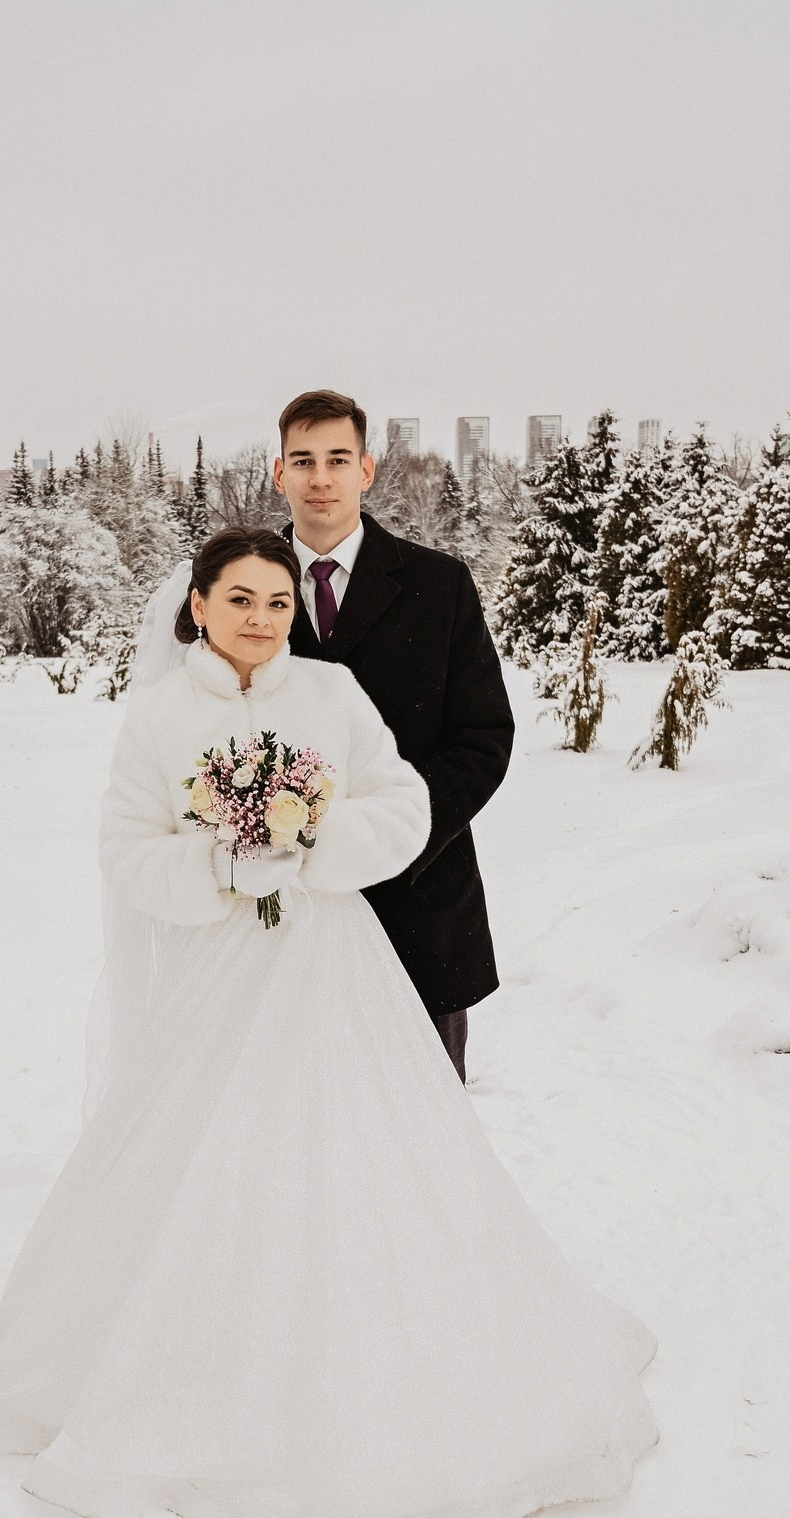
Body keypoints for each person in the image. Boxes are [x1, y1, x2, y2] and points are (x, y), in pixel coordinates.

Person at [0, 528, 658, 1518]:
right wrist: (221, 864)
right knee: (205, 1147)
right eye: (238, 598)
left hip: (332, 954)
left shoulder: (330, 696)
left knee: (361, 1142)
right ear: (197, 605)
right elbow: (125, 848)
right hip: (213, 972)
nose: (260, 618)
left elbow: (402, 798)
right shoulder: (156, 715)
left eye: (277, 601)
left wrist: (317, 844)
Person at [276, 389, 514, 1083]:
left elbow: (483, 738)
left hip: (421, 908)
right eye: (304, 459)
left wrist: (390, 836)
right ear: (279, 473)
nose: (321, 477)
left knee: (424, 1145)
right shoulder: (243, 589)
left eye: (338, 459)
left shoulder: (440, 586)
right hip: (281, 919)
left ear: (368, 470)